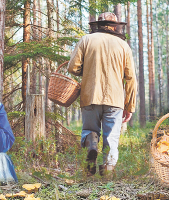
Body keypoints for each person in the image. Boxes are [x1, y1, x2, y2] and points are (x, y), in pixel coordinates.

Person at [68, 12, 137, 176]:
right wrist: (130, 106)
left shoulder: (86, 40)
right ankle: (107, 170)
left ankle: (92, 144)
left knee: (89, 129)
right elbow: (131, 78)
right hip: (115, 100)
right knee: (111, 137)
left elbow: (72, 68)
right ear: (115, 26)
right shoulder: (123, 46)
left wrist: (88, 70)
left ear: (98, 25)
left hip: (90, 95)